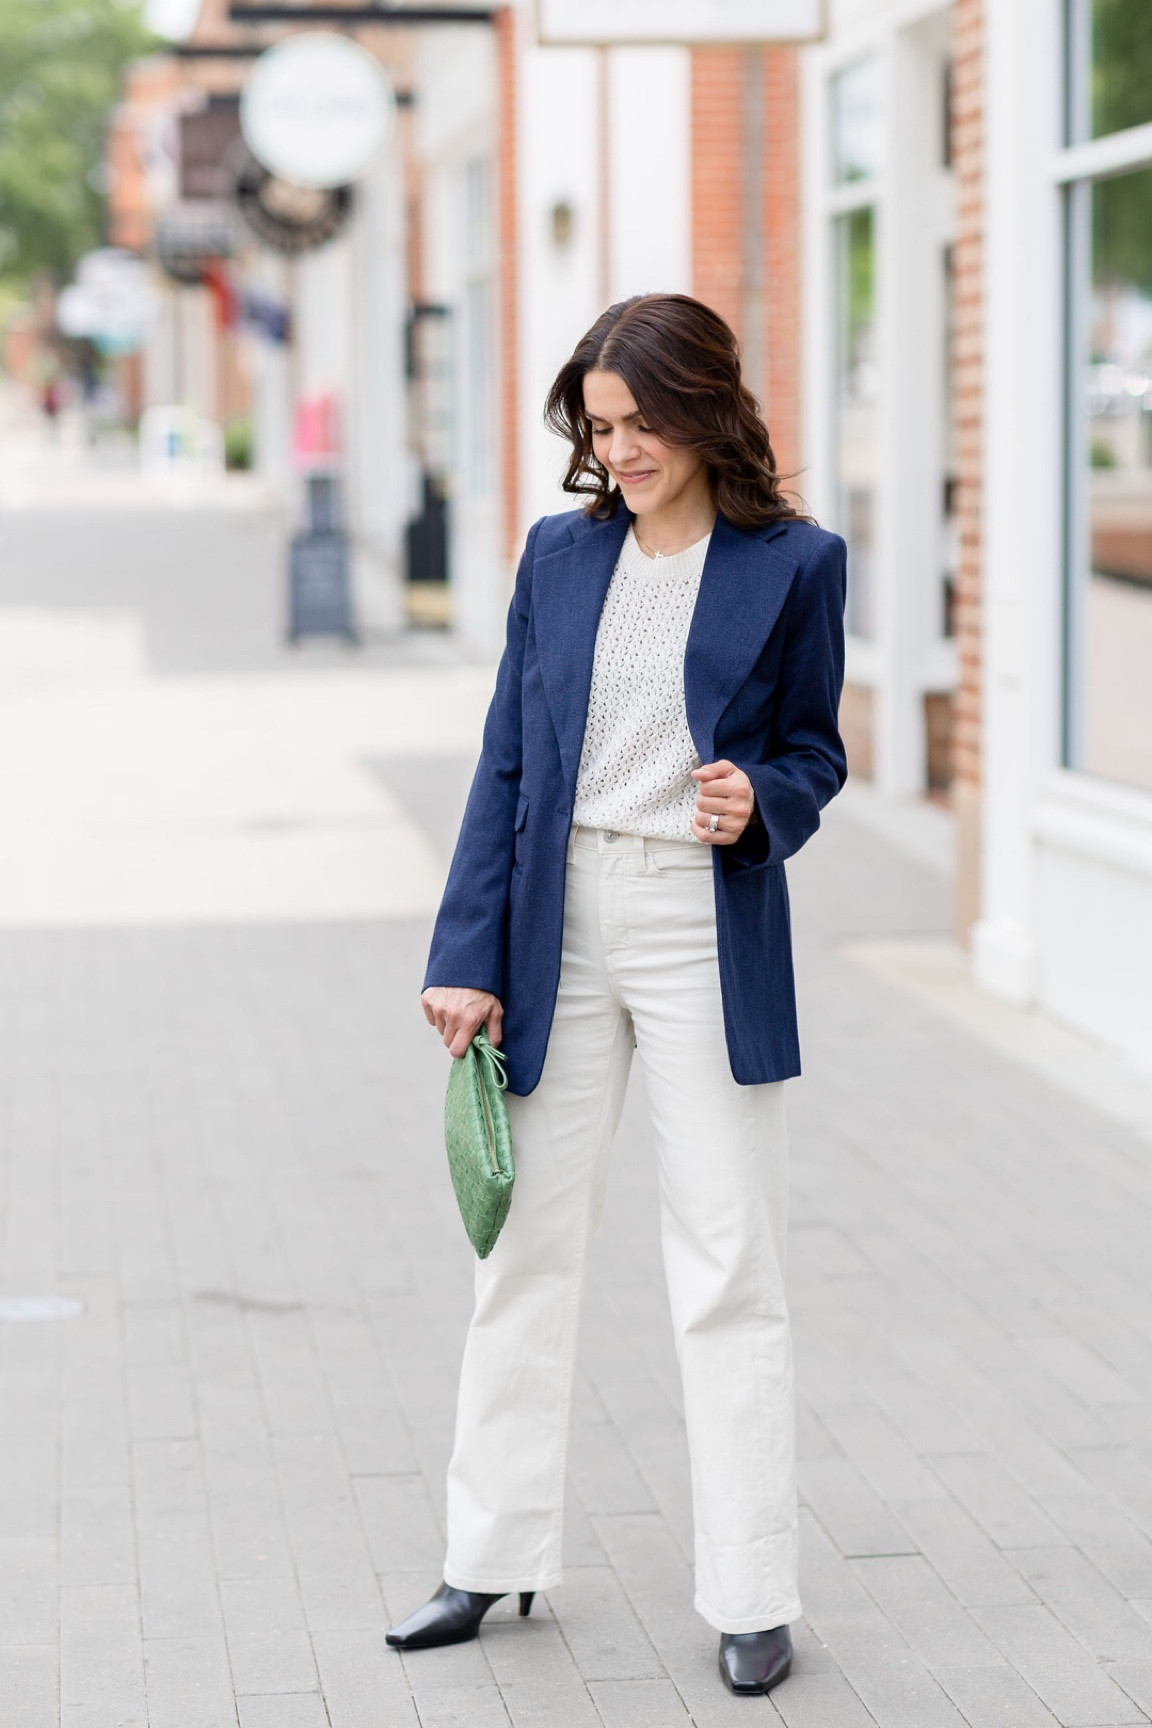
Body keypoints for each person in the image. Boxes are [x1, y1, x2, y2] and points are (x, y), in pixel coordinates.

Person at [387, 293, 846, 1698]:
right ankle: (489, 1553)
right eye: (601, 427)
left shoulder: (797, 563)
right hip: (556, 924)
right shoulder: (559, 556)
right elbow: (506, 764)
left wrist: (754, 799)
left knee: (726, 1261)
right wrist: (464, 952)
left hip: (700, 923)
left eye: (645, 423)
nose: (622, 449)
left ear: (707, 412)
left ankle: (753, 1589)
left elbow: (816, 756)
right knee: (521, 1244)